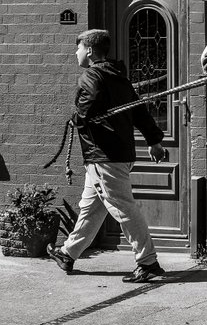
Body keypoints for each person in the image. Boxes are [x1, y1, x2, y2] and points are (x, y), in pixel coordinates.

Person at [47, 29, 169, 283]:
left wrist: (78, 118)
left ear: (89, 51)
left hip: (105, 157)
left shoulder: (91, 76)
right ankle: (68, 254)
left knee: (123, 208)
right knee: (91, 208)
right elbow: (140, 112)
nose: (76, 52)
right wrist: (154, 141)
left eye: (78, 47)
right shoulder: (119, 78)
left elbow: (88, 105)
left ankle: (147, 262)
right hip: (118, 154)